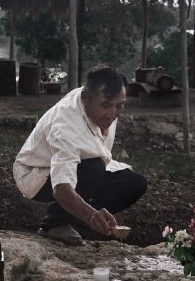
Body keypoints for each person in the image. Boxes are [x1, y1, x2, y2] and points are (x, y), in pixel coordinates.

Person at [13, 64, 147, 246]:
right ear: (86, 99)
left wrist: (90, 212)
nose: (112, 114)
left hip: (83, 164)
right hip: (38, 173)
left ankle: (78, 218)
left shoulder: (98, 105)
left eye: (119, 106)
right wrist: (91, 214)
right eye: (106, 105)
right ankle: (53, 225)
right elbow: (61, 187)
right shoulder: (66, 126)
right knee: (94, 167)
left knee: (134, 184)